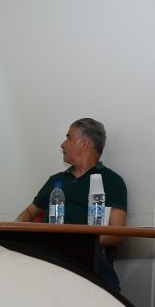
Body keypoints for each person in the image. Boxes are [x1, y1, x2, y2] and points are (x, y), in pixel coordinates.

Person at [15, 117, 127, 291]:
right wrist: (17, 231)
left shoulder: (112, 181)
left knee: (106, 288)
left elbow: (117, 234)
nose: (62, 144)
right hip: (46, 255)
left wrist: (73, 243)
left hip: (85, 256)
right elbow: (29, 213)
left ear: (84, 144)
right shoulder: (56, 180)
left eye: (68, 138)